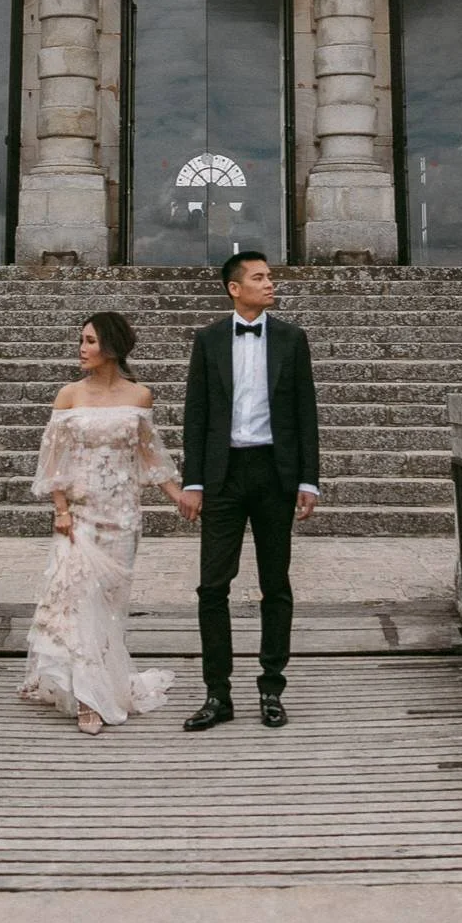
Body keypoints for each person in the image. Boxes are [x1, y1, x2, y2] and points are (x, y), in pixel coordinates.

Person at [20, 311, 188, 736]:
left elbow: (152, 458)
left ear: (111, 346)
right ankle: (87, 698)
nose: (82, 348)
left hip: (123, 516)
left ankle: (106, 680)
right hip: (80, 514)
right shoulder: (69, 396)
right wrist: (60, 510)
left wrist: (179, 497)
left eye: (90, 341)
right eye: (81, 340)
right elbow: (53, 461)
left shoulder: (139, 397)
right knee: (79, 603)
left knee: (109, 610)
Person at [178, 250, 321, 730]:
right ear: (234, 288)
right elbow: (195, 415)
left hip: (275, 474)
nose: (270, 284)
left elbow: (306, 414)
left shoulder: (292, 339)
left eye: (270, 277)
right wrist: (192, 482)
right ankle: (217, 694)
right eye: (259, 278)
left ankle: (271, 687)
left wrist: (308, 479)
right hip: (222, 476)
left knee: (275, 584)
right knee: (212, 587)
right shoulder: (209, 340)